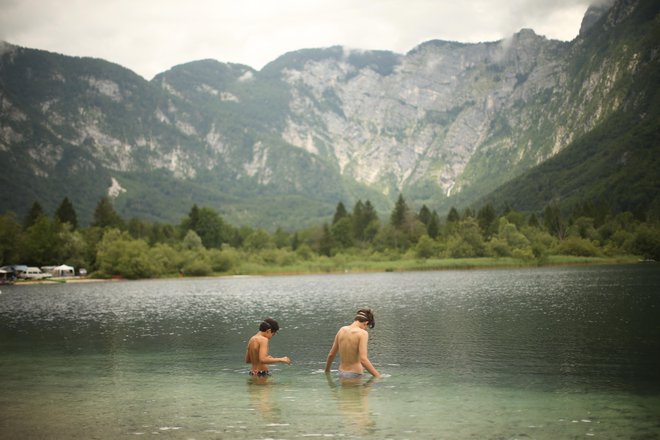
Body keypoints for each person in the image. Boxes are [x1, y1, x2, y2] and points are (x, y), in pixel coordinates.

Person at [325, 308, 381, 379]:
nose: (366, 329)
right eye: (367, 327)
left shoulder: (342, 330)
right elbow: (363, 359)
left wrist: (327, 372)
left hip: (341, 373)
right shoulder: (362, 333)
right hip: (356, 374)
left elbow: (331, 355)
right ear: (366, 323)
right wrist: (378, 376)